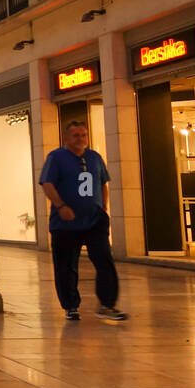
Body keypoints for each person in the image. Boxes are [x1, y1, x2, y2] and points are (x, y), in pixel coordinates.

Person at [39, 120, 127, 322]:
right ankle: (70, 305)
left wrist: (103, 207)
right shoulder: (56, 157)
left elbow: (103, 183)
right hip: (66, 223)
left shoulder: (94, 158)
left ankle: (107, 304)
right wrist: (61, 206)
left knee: (104, 260)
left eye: (83, 135)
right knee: (66, 265)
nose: (80, 139)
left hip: (95, 220)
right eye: (76, 135)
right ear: (67, 138)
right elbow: (47, 183)